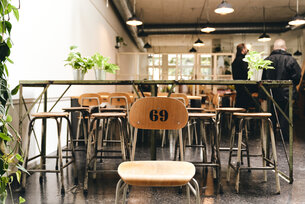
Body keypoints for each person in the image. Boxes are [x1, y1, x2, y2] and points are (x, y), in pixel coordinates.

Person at [262, 39, 301, 141]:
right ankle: (286, 140)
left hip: (271, 94)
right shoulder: (291, 60)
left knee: (272, 117)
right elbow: (297, 77)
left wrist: (263, 96)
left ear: (274, 48)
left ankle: (271, 138)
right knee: (286, 118)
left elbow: (263, 79)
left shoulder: (267, 60)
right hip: (287, 94)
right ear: (285, 48)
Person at [231, 43, 257, 109]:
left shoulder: (234, 61)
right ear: (243, 50)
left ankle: (238, 119)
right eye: (246, 49)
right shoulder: (243, 61)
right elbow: (247, 74)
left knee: (239, 108)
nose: (247, 51)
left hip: (238, 88)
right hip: (245, 90)